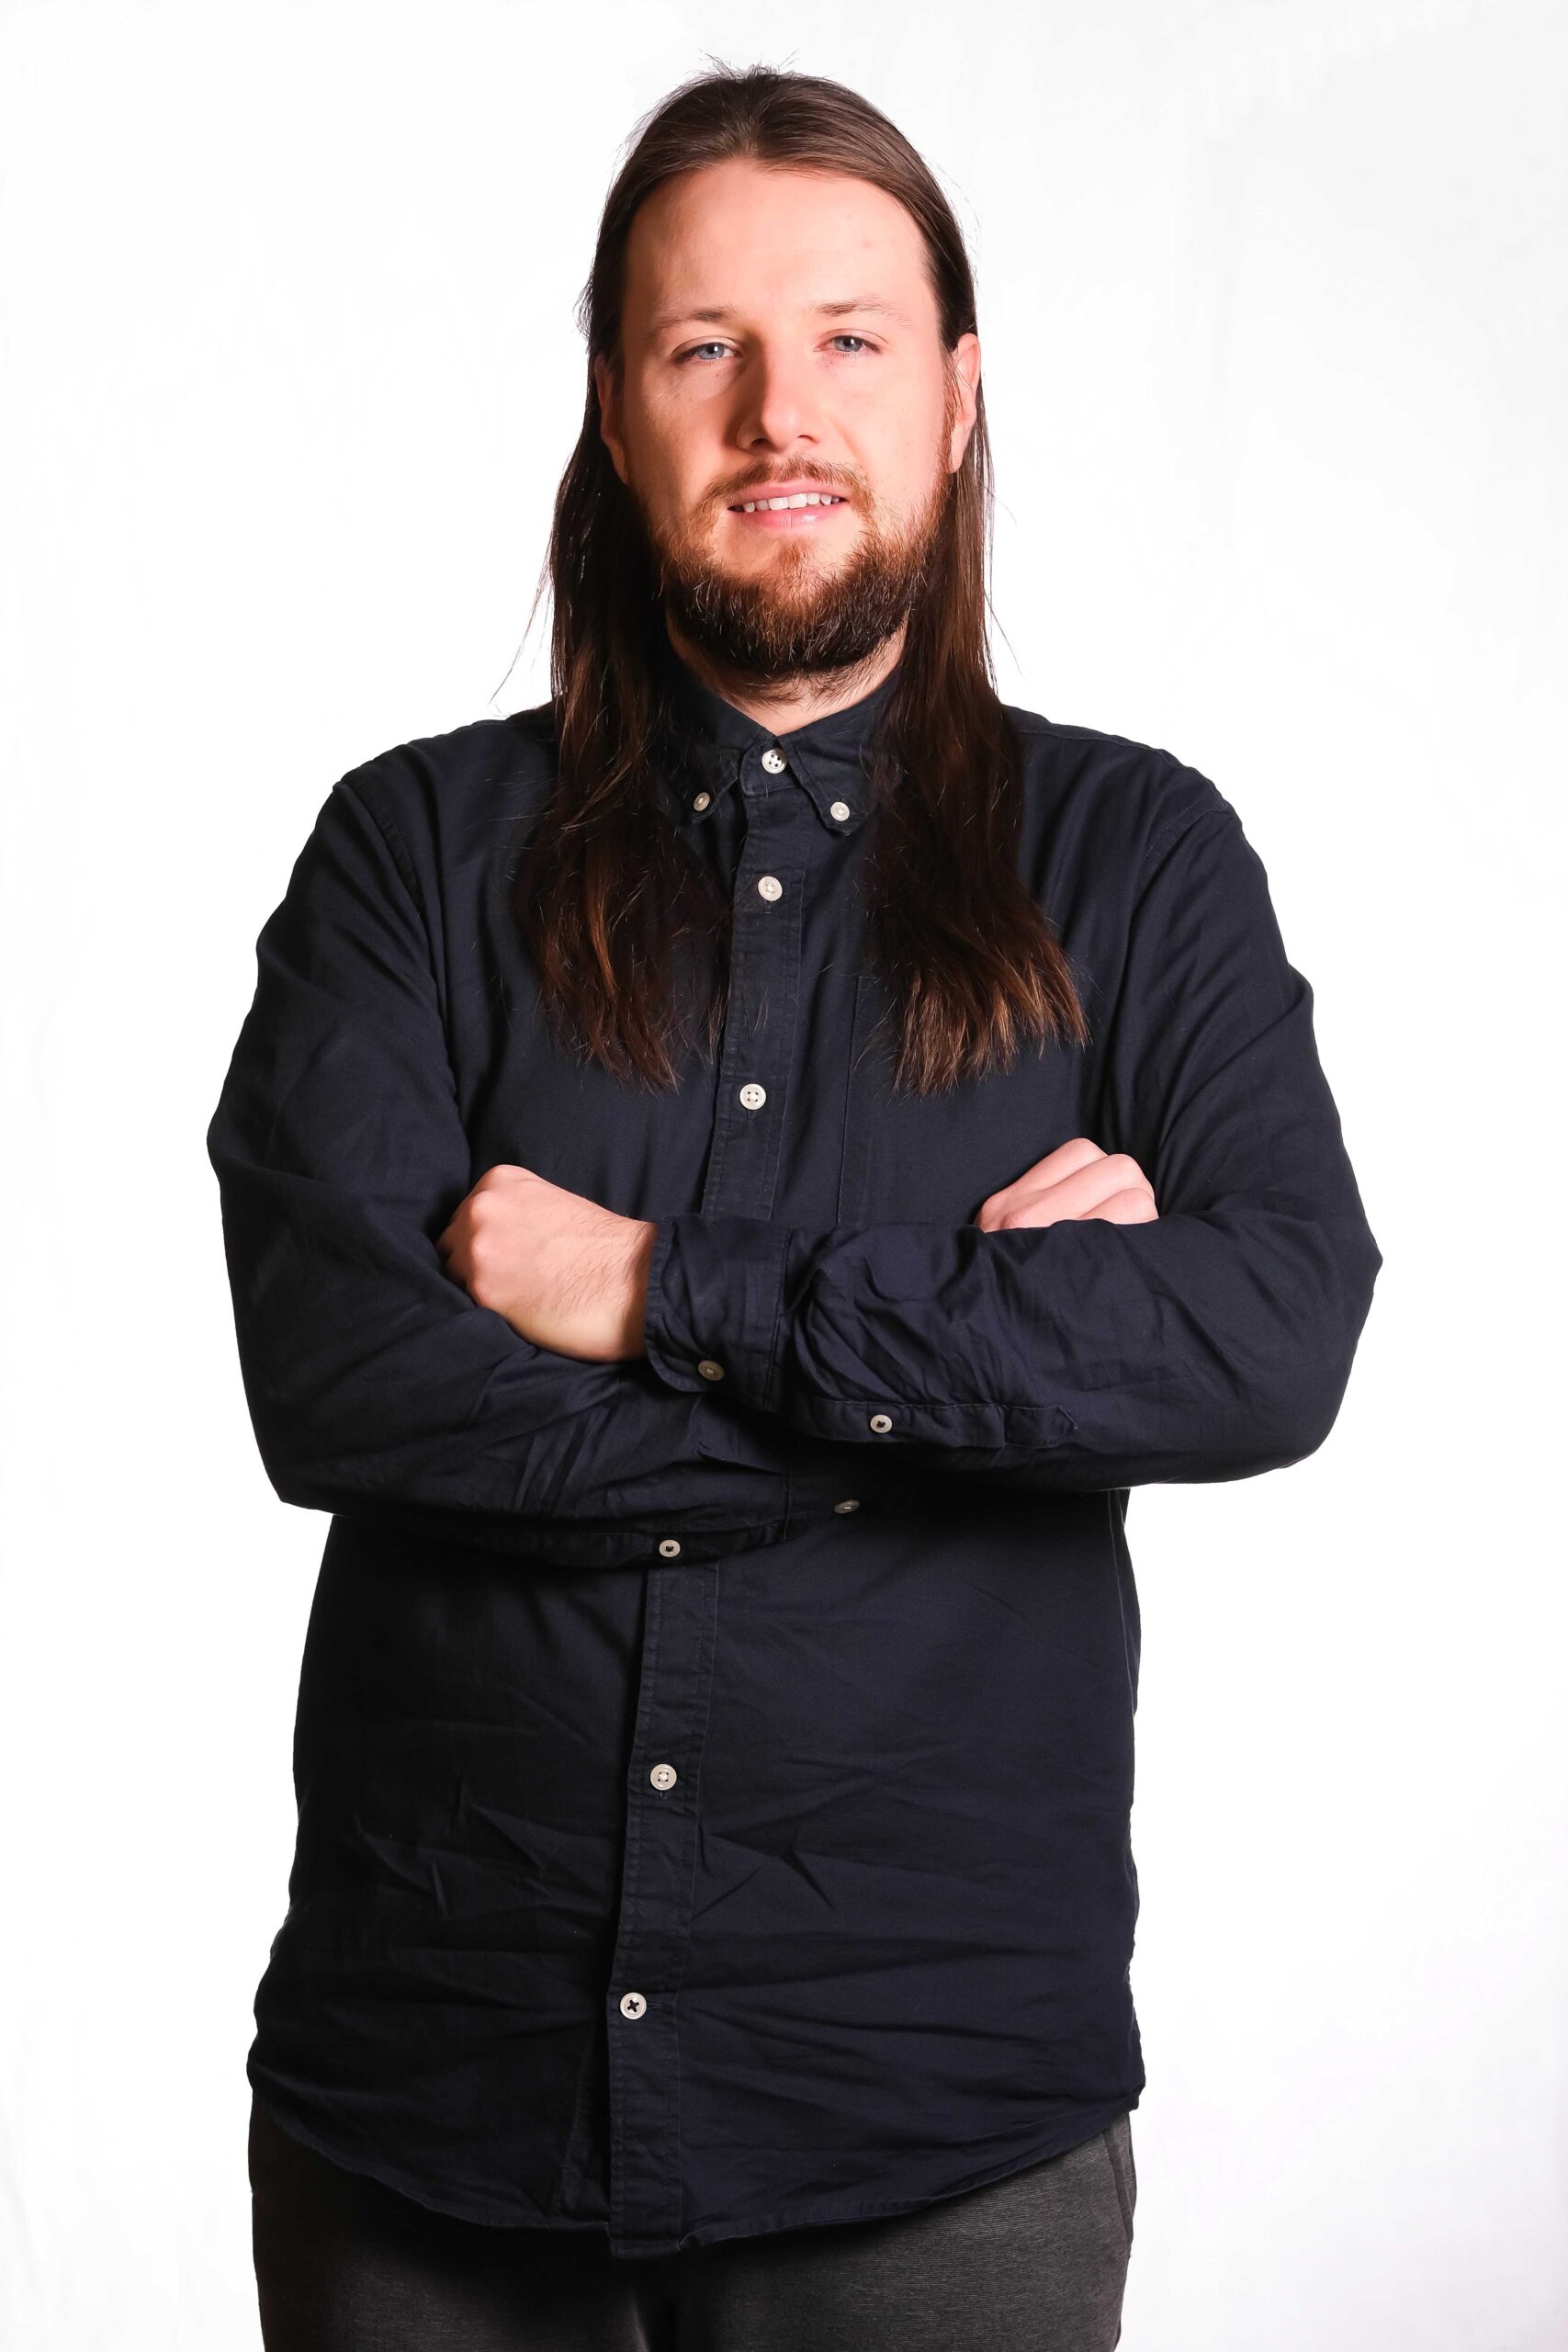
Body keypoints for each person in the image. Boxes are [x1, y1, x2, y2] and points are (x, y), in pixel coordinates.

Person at [209, 62, 1382, 2352]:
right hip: (430, 2118)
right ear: (613, 410)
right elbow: (343, 1384)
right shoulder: (406, 860)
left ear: (955, 395)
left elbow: (1265, 1332)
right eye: (702, 346)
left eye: (848, 336)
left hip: (928, 2136)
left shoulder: (1134, 863)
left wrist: (656, 1283)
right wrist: (956, 1382)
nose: (780, 413)